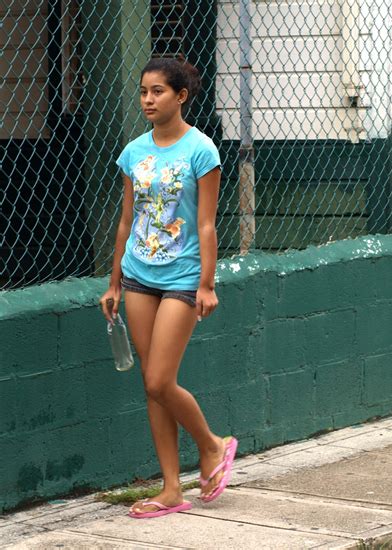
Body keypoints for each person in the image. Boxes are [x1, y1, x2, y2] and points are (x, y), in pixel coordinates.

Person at [99, 57, 238, 519]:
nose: (148, 100)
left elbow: (205, 223)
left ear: (181, 96)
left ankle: (213, 445)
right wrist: (114, 281)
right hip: (138, 275)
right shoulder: (133, 152)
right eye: (143, 91)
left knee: (161, 378)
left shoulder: (201, 151)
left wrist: (207, 283)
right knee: (151, 385)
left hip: (182, 278)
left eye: (157, 91)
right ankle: (172, 487)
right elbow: (125, 221)